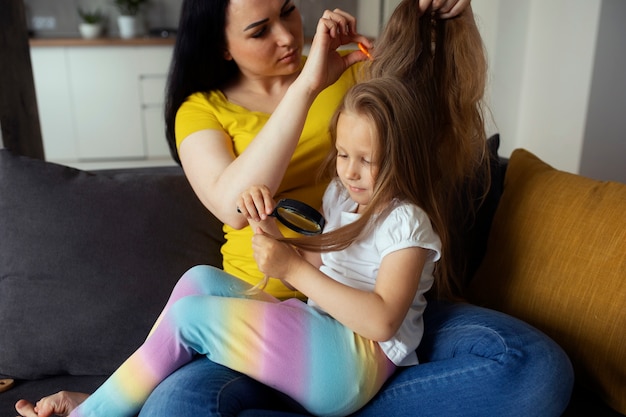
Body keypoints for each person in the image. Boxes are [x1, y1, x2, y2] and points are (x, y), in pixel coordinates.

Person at [15, 0, 574, 415]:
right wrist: (306, 89)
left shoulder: (356, 76)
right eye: (260, 29)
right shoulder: (202, 109)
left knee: (534, 366)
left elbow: (429, 98)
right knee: (192, 309)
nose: (287, 36)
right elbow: (237, 208)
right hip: (282, 303)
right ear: (221, 45)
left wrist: (447, 16)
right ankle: (108, 402)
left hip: (353, 317)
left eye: (288, 10)